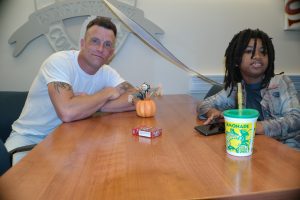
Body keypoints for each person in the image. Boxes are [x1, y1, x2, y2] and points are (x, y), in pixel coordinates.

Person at [5, 17, 137, 164]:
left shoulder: (107, 72)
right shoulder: (59, 62)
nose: (100, 49)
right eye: (95, 41)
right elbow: (67, 112)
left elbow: (141, 96)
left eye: (107, 45)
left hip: (65, 142)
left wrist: (93, 105)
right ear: (82, 44)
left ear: (111, 53)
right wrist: (106, 94)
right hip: (28, 142)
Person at [197, 28, 300, 150]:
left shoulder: (280, 83)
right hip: (252, 147)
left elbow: (295, 120)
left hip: (284, 149)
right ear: (236, 61)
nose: (257, 56)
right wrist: (213, 112)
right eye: (249, 51)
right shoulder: (236, 87)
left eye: (263, 52)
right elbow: (203, 104)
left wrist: (253, 127)